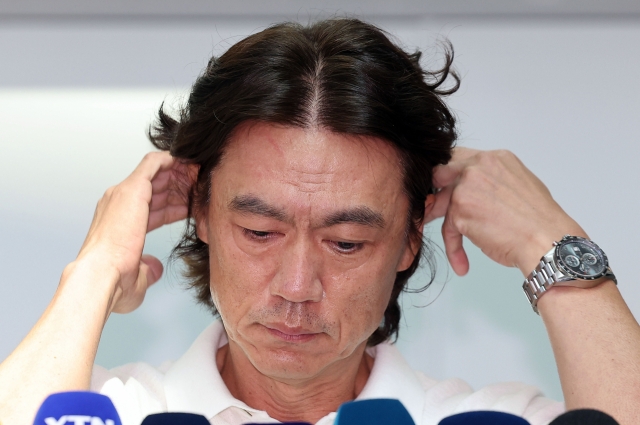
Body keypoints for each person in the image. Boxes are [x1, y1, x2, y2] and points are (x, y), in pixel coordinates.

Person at [1, 18, 639, 425]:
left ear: (411, 237)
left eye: (346, 241)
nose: (297, 285)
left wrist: (549, 241)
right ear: (199, 210)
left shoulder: (487, 420)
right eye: (259, 232)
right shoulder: (107, 413)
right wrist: (93, 273)